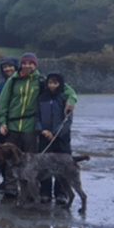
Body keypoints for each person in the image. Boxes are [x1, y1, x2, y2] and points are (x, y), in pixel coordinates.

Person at [0, 53, 77, 198]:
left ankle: (30, 191)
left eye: (31, 63)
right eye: (25, 63)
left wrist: (71, 101)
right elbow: (3, 101)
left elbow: (67, 90)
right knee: (10, 159)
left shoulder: (41, 80)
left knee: (30, 163)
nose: (27, 65)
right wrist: (2, 122)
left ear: (35, 65)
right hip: (13, 124)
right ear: (21, 64)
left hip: (30, 126)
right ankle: (10, 188)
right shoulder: (13, 80)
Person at [37, 73, 73, 204]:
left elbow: (68, 120)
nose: (52, 85)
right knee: (44, 165)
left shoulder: (65, 98)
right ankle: (45, 192)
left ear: (60, 84)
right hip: (44, 137)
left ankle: (61, 193)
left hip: (61, 138)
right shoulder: (41, 98)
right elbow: (37, 117)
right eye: (50, 82)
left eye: (55, 83)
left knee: (62, 166)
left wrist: (56, 133)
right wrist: (42, 130)